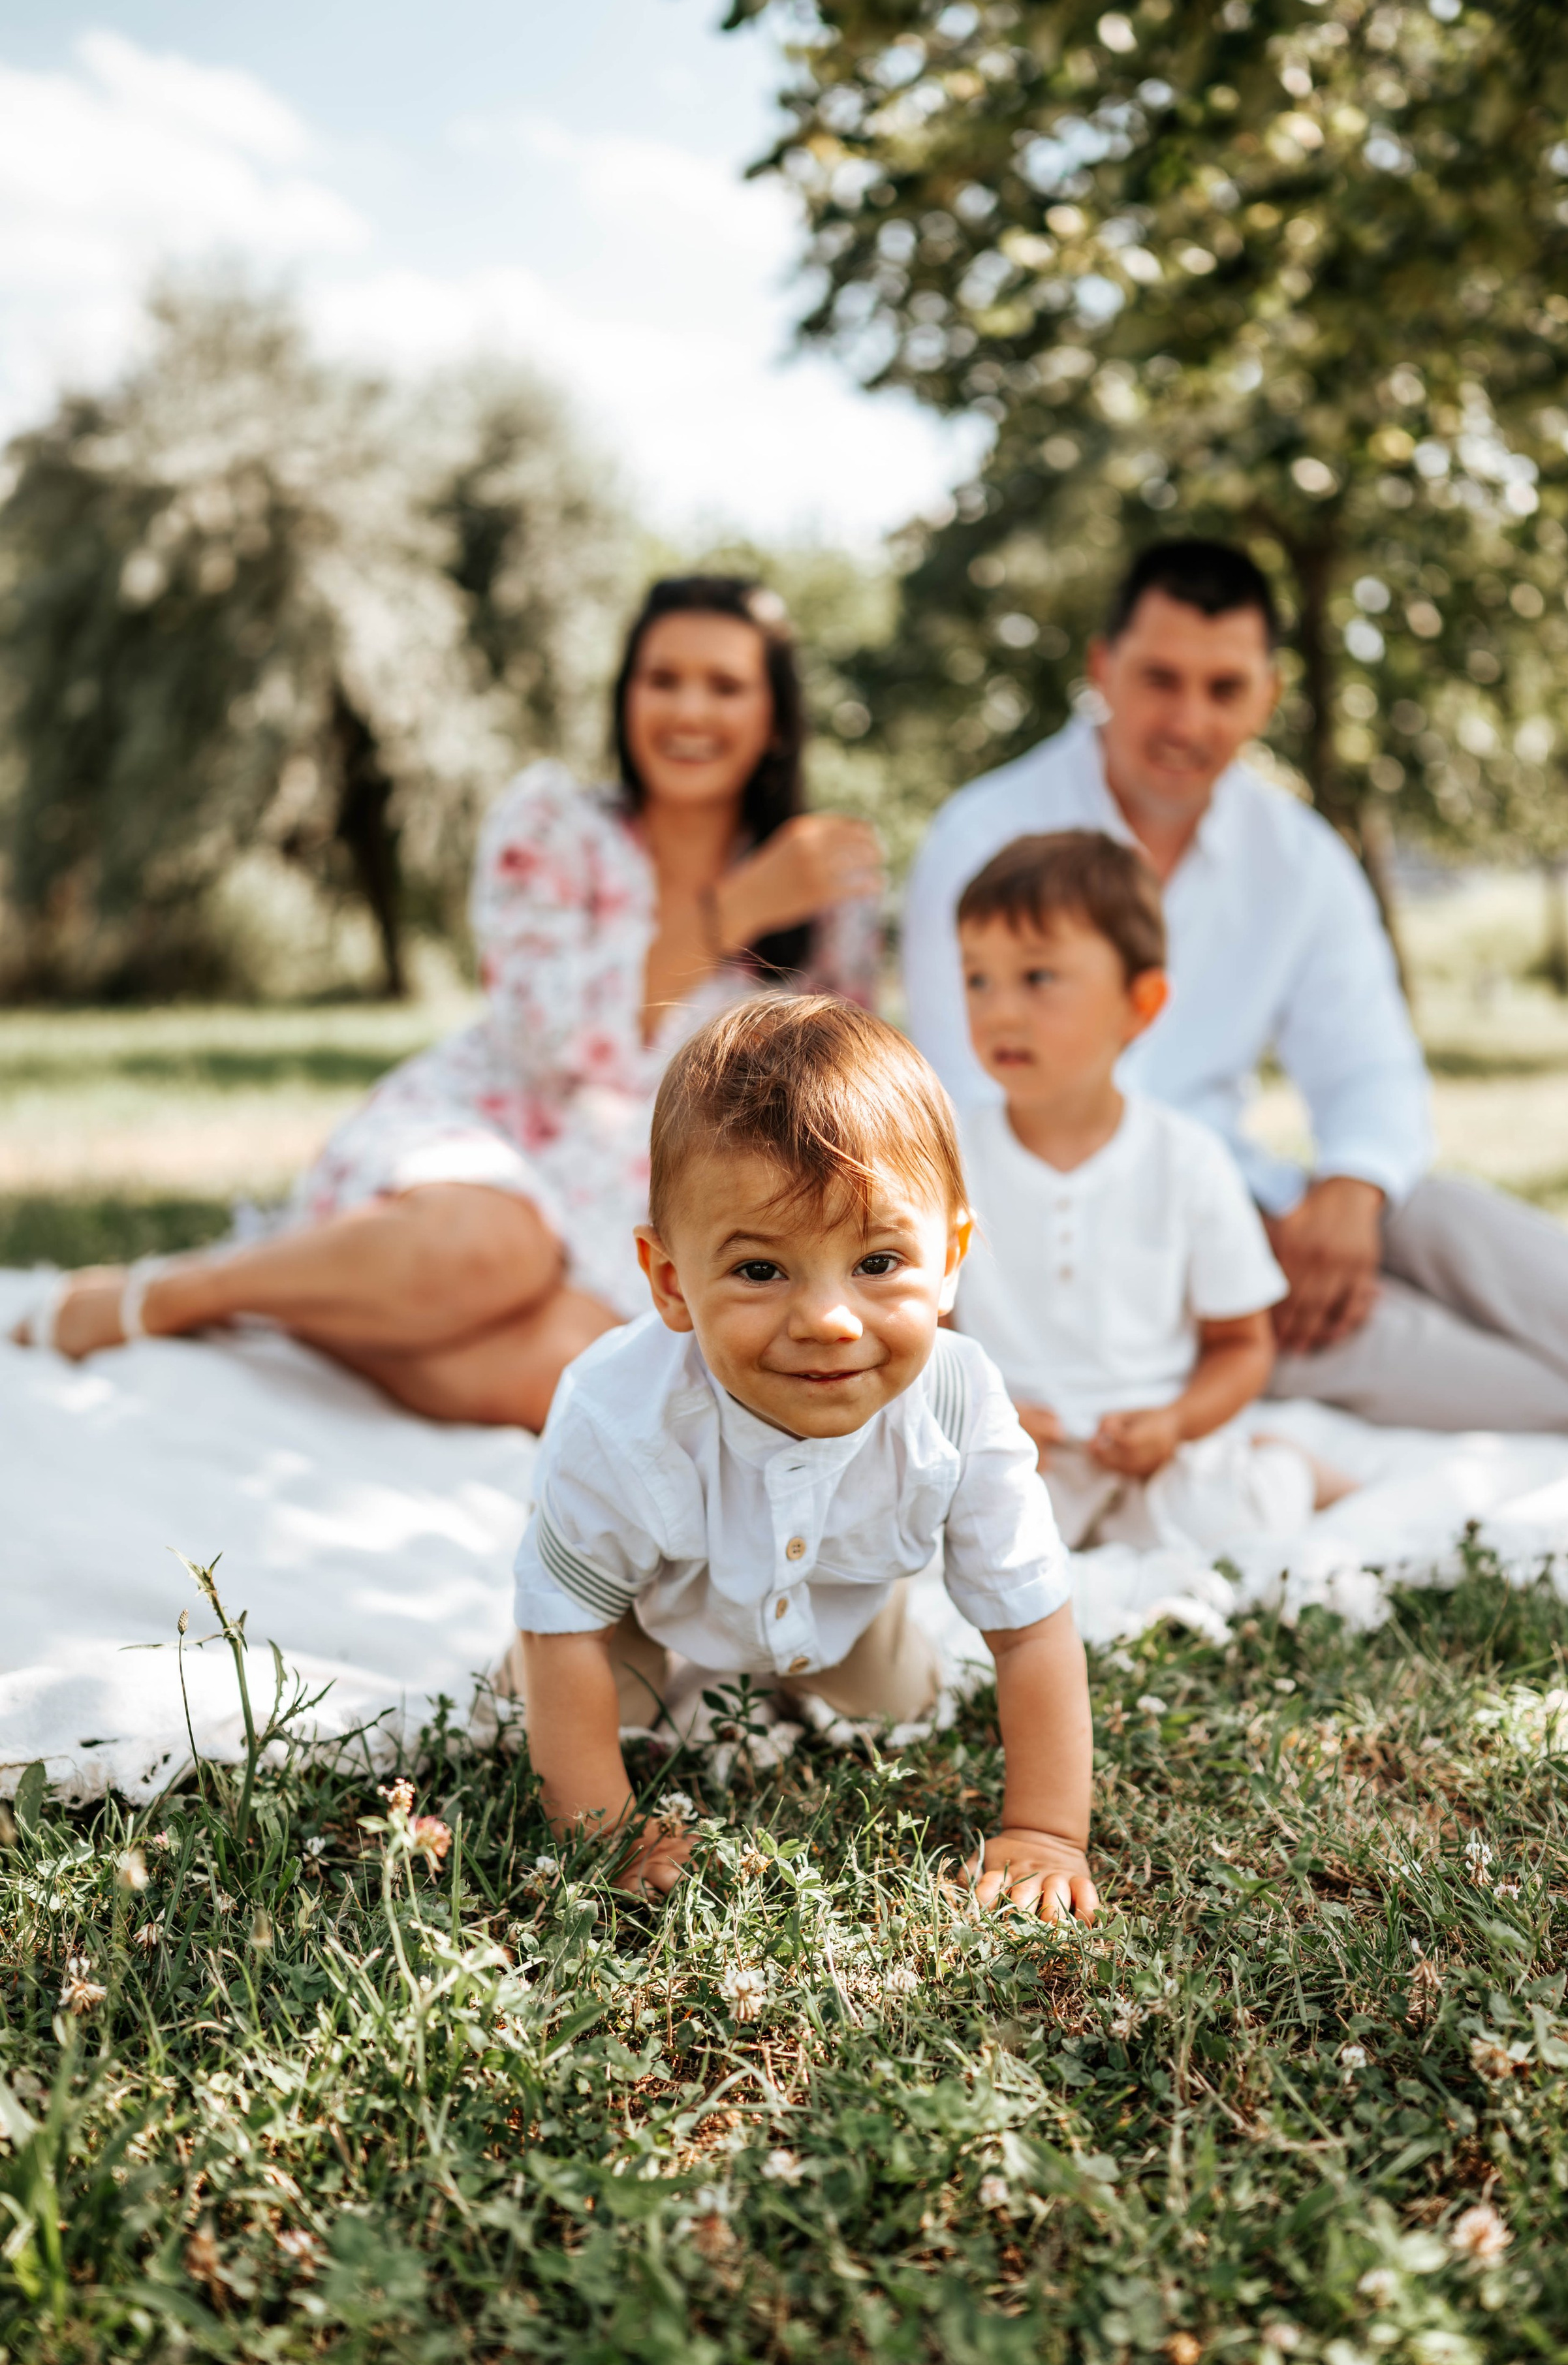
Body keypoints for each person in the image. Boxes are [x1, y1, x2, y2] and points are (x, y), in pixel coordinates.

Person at [16, 576, 885, 1432]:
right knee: (495, 1247)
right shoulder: (553, 825)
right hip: (492, 1128)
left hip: (656, 1190)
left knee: (593, 1370)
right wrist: (733, 910)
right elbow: (551, 1036)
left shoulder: (825, 885)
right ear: (625, 695)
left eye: (725, 685)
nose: (688, 710)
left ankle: (330, 1318)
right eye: (663, 679)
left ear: (775, 717)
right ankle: (177, 1293)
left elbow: (840, 1106)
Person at [905, 537, 1568, 1447]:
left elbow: (1371, 1066)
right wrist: (1220, 1222)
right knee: (1449, 1360)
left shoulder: (1296, 853)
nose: (1188, 719)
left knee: (1463, 1222)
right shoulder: (986, 835)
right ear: (1103, 670)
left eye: (1225, 688)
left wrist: (1349, 1191)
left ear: (1268, 694)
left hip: (1267, 1199)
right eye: (1160, 679)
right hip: (1130, 1266)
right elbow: (974, 1102)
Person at [511, 994, 1098, 1922]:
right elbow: (568, 1627)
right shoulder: (619, 1414)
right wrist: (607, 1825)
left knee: (896, 1709)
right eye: (759, 1269)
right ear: (670, 1280)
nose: (829, 1318)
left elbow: (1030, 1626)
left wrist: (1046, 1831)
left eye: (878, 1263)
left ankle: (845, 1647)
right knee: (582, 1695)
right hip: (644, 1604)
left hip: (841, 1598)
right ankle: (579, 1684)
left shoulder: (960, 1403)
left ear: (950, 1258)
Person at [953, 830, 1352, 1552]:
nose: (998, 1011)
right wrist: (984, 1413)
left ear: (1140, 1004)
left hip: (1160, 1453)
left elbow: (1240, 1346)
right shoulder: (942, 1157)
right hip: (1012, 1453)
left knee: (1225, 1529)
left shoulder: (1187, 1159)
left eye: (1037, 977)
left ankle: (1287, 1469)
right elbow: (925, 1334)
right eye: (977, 979)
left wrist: (1174, 1423)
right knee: (949, 1538)